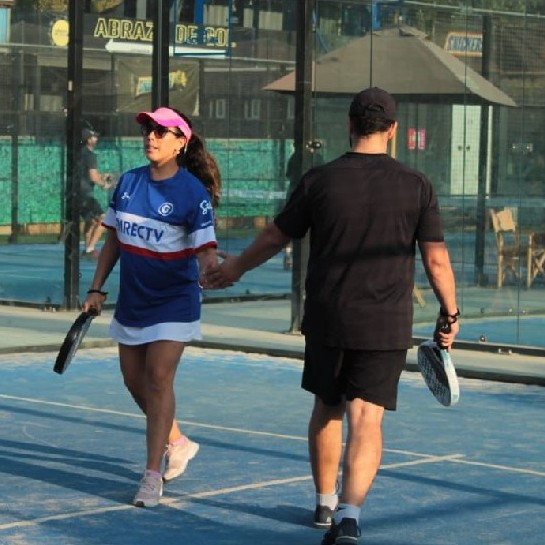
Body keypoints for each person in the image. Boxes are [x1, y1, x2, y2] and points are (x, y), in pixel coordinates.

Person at [206, 87, 459, 544]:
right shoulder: (417, 185)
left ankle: (325, 504)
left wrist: (235, 269)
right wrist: (450, 312)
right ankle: (349, 515)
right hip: (385, 324)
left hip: (328, 317)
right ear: (393, 130)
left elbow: (275, 237)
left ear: (349, 124)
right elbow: (436, 260)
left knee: (327, 408)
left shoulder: (319, 181)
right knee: (367, 419)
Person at [81, 107, 221, 508]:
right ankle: (177, 441)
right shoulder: (128, 183)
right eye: (148, 129)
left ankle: (151, 475)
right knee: (134, 381)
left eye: (161, 131)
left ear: (181, 142)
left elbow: (205, 251)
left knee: (158, 377)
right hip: (133, 302)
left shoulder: (192, 193)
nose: (151, 136)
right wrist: (96, 288)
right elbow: (114, 240)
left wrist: (211, 268)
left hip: (175, 301)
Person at [81, 128, 113, 258]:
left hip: (75, 194)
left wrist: (102, 176)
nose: (96, 139)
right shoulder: (91, 155)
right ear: (89, 140)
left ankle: (87, 249)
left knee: (91, 221)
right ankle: (90, 249)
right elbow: (93, 177)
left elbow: (87, 174)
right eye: (94, 137)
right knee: (104, 219)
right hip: (85, 194)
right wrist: (104, 184)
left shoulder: (78, 154)